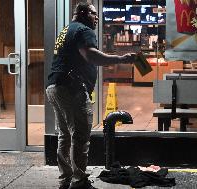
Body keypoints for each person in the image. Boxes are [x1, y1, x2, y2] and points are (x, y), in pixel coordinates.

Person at [45, 2, 137, 189]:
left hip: (56, 86)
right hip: (71, 89)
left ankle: (66, 180)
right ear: (84, 13)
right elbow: (91, 56)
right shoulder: (84, 30)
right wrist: (121, 59)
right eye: (94, 14)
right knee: (79, 136)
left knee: (65, 136)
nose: (96, 18)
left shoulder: (67, 30)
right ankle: (79, 182)